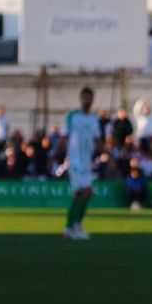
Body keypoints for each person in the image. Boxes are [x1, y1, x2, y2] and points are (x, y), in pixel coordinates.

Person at [61, 86, 100, 240]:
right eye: (85, 97)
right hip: (75, 160)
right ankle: (74, 225)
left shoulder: (93, 119)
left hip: (86, 161)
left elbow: (97, 140)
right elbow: (64, 137)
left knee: (85, 193)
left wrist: (109, 156)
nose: (87, 100)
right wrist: (54, 156)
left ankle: (71, 227)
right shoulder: (72, 117)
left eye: (89, 97)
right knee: (83, 191)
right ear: (80, 99)